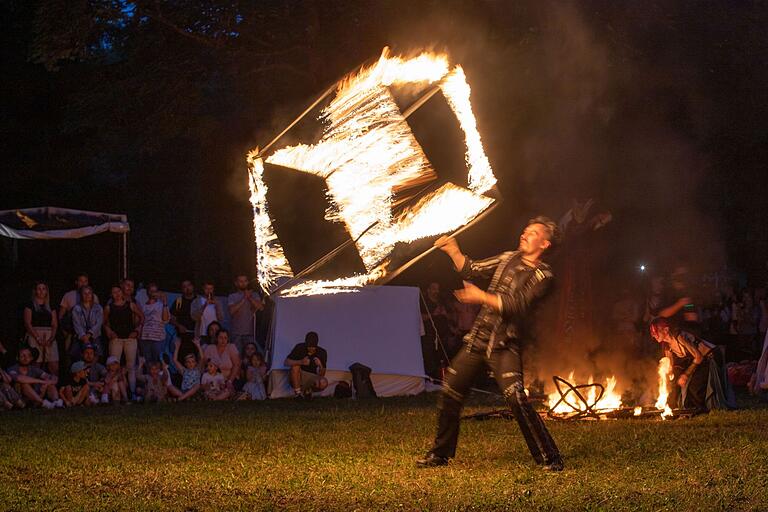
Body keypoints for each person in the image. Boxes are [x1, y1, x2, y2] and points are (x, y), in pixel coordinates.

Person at [417, 216, 563, 471]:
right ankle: (440, 454)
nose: (525, 233)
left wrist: (480, 296)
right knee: (451, 391)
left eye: (533, 232)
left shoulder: (544, 275)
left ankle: (550, 457)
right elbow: (472, 269)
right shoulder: (508, 258)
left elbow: (518, 305)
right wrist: (454, 251)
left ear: (545, 244)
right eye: (525, 229)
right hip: (478, 339)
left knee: (515, 398)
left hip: (504, 344)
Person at [649, 316, 733, 413]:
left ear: (666, 330)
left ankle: (699, 408)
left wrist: (686, 375)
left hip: (710, 357)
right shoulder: (665, 344)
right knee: (676, 380)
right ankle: (676, 405)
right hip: (698, 359)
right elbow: (670, 362)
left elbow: (698, 357)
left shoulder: (679, 337)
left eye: (656, 332)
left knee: (694, 384)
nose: (654, 335)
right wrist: (668, 376)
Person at [103, 285, 144, 399]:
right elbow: (104, 322)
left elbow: (142, 317)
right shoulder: (108, 307)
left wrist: (137, 330)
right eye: (114, 292)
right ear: (111, 294)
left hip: (130, 338)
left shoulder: (130, 305)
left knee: (131, 367)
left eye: (118, 291)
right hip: (116, 339)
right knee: (113, 367)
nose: (117, 294)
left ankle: (132, 393)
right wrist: (109, 331)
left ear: (122, 292)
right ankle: (114, 393)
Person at [23, 281, 59, 375]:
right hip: (35, 334)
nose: (41, 291)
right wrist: (37, 337)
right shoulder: (30, 305)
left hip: (49, 335)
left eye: (43, 289)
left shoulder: (51, 305)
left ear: (46, 291)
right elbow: (27, 323)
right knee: (36, 363)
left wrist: (52, 338)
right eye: (39, 289)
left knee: (54, 364)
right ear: (35, 291)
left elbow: (54, 324)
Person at [227, 275, 264, 354]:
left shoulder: (254, 295)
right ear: (236, 283)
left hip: (250, 333)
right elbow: (231, 311)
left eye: (245, 281)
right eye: (240, 281)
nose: (243, 283)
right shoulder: (232, 296)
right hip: (236, 333)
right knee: (237, 355)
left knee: (252, 355)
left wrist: (249, 297)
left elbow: (260, 308)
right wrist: (244, 298)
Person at [284, 331, 328, 398]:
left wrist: (320, 365)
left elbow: (322, 375)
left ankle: (308, 391)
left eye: (313, 347)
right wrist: (301, 362)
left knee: (323, 382)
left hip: (312, 376)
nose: (311, 349)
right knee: (296, 366)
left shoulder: (322, 352)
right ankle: (298, 394)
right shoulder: (299, 347)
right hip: (298, 375)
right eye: (309, 346)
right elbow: (286, 362)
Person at [71, 286, 104, 361]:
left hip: (94, 336)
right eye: (84, 293)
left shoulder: (98, 308)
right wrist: (84, 337)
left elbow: (99, 323)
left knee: (95, 357)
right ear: (81, 295)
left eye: (89, 293)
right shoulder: (76, 308)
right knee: (79, 359)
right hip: (81, 337)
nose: (87, 295)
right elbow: (77, 324)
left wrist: (90, 334)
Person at [139, 283, 169, 363]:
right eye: (151, 291)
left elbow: (165, 320)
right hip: (145, 338)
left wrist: (165, 302)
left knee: (158, 362)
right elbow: (140, 323)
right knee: (147, 362)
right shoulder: (143, 306)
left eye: (155, 291)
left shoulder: (161, 305)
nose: (153, 293)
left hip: (158, 339)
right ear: (147, 292)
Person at [202, 329, 240, 393]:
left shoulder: (231, 347)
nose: (223, 340)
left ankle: (217, 397)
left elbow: (236, 365)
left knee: (227, 390)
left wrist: (229, 381)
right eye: (221, 337)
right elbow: (204, 362)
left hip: (229, 378)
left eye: (225, 338)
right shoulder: (210, 348)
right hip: (213, 378)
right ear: (217, 338)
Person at [169, 280, 198, 362]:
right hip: (182, 337)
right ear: (182, 289)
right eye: (184, 287)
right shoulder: (179, 301)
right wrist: (179, 325)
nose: (187, 288)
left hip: (197, 337)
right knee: (182, 361)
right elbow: (171, 319)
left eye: (189, 285)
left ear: (193, 286)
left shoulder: (199, 300)